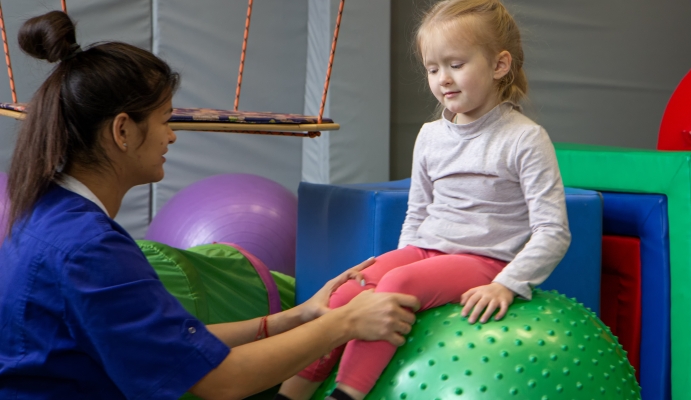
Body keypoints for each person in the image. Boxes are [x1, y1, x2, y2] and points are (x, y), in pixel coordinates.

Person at [0, 11, 421, 400]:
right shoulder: (89, 249)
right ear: (123, 131)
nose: (172, 137)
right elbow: (218, 379)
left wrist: (296, 317)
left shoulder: (44, 213)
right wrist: (344, 323)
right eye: (166, 120)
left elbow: (172, 344)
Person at [276, 1, 572, 399]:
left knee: (397, 283)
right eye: (433, 69)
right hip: (424, 252)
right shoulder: (431, 136)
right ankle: (290, 393)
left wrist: (508, 284)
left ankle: (347, 393)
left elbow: (553, 230)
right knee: (349, 289)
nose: (443, 79)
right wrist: (396, 264)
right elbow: (417, 213)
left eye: (456, 64)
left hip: (485, 260)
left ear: (500, 65)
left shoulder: (523, 138)